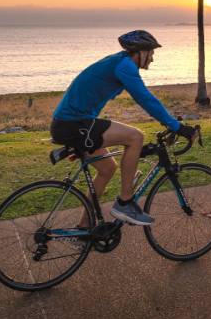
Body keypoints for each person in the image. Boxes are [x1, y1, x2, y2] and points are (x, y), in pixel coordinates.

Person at [51, 30, 197, 226]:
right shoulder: (125, 66)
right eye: (151, 53)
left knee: (107, 168)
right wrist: (176, 126)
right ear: (140, 52)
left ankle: (85, 227)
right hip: (74, 124)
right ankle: (125, 202)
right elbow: (145, 99)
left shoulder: (118, 62)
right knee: (135, 137)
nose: (152, 59)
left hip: (72, 125)